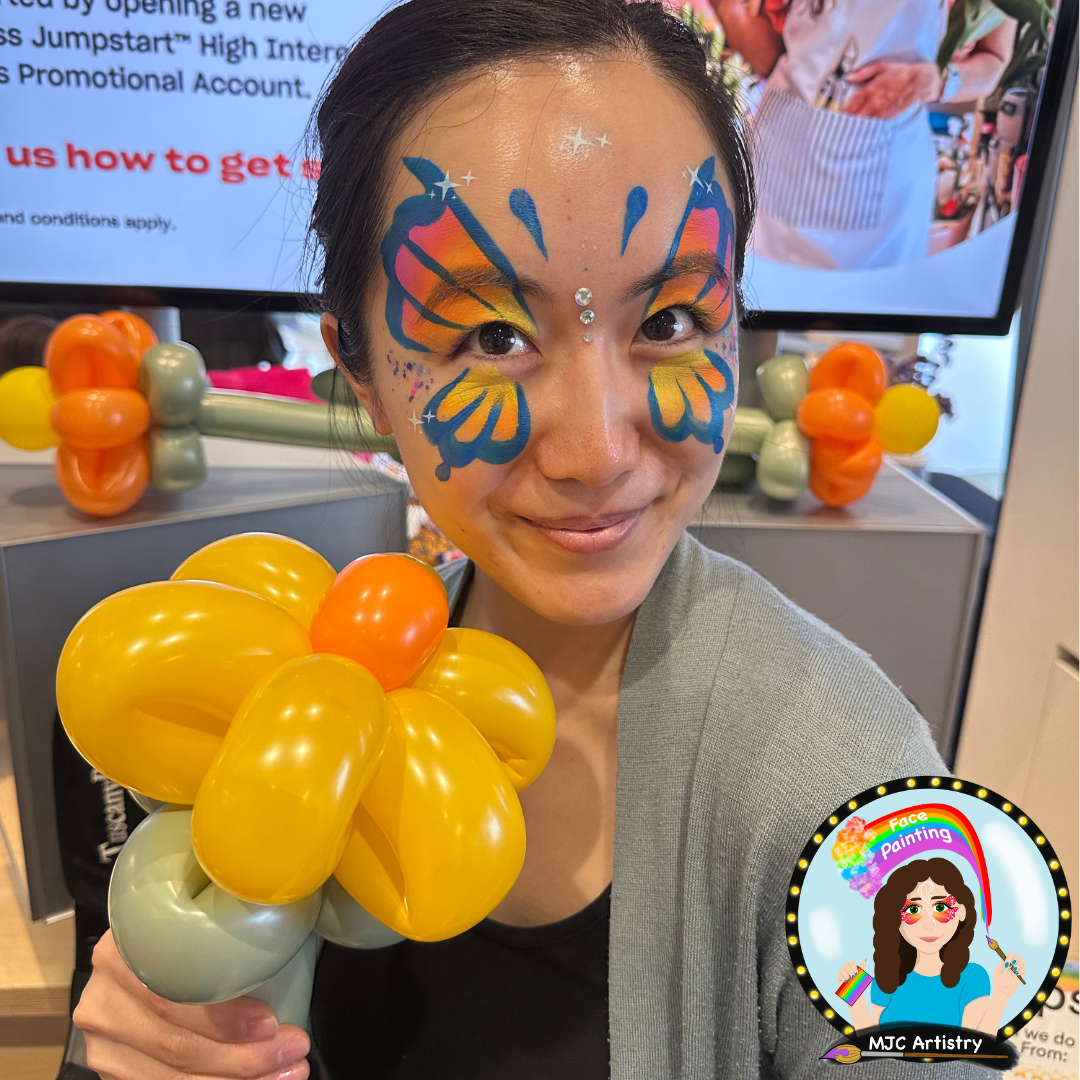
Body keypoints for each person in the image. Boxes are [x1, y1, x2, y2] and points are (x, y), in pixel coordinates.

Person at [70, 1, 988, 1078]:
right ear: (360, 371)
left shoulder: (866, 789)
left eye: (670, 320)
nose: (596, 448)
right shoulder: (259, 690)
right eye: (493, 334)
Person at [710, 0, 1015, 269]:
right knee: (756, 312)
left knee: (871, 322)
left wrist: (937, 82)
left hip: (884, 179)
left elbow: (994, 59)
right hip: (778, 158)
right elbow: (760, 40)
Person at [838, 857, 1025, 1034]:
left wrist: (1002, 995)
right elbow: (873, 1047)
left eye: (941, 908)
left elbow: (975, 1051)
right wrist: (854, 995)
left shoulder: (974, 978)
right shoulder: (886, 978)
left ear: (961, 912)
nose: (928, 924)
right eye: (913, 910)